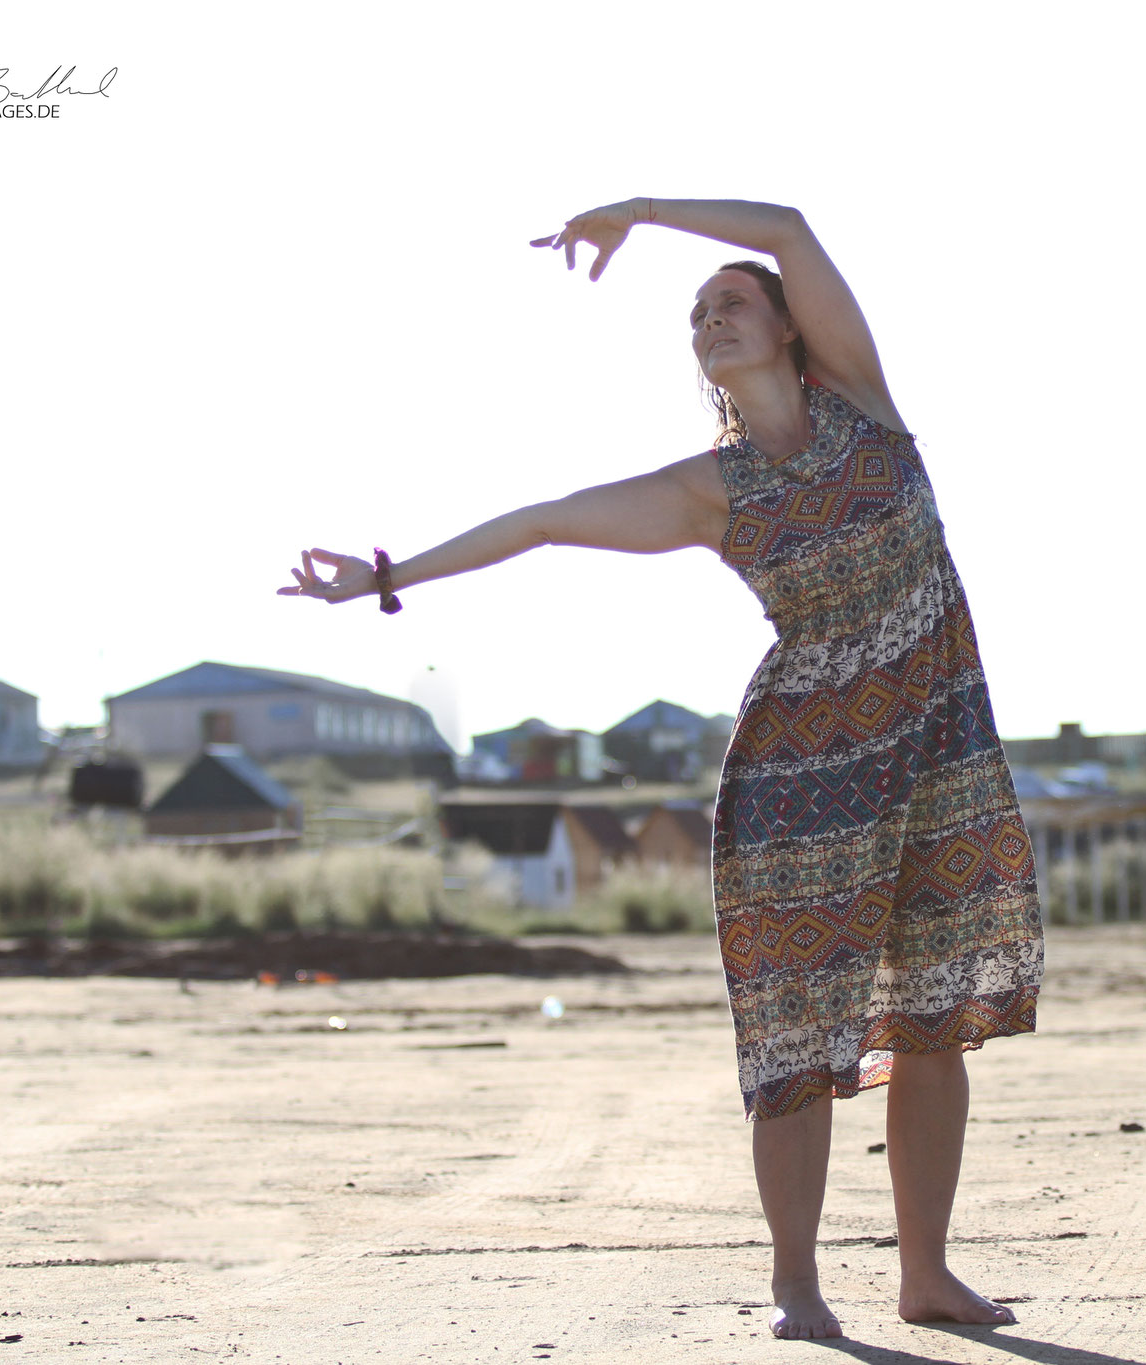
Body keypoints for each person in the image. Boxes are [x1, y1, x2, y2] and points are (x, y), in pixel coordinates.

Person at [280, 199, 1045, 1340]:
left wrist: (640, 208)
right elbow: (540, 522)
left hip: (938, 754)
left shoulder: (868, 413)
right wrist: (384, 576)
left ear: (788, 330)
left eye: (728, 305)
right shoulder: (712, 491)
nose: (708, 320)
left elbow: (785, 225)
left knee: (932, 1021)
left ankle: (925, 1277)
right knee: (796, 1030)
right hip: (802, 782)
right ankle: (798, 1285)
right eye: (696, 317)